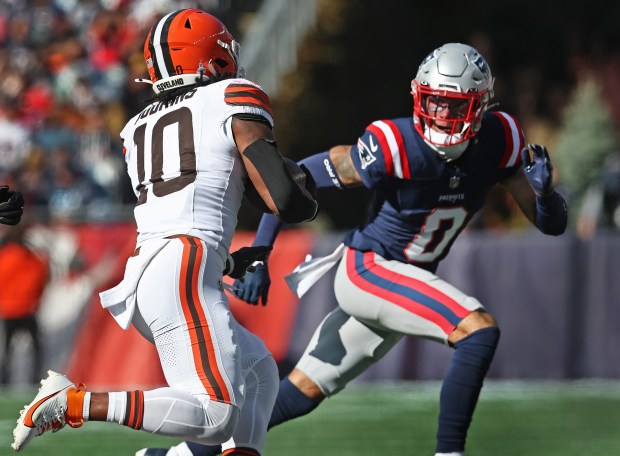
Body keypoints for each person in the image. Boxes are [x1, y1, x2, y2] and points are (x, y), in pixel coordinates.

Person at [139, 42, 568, 456]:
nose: (440, 114)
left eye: (453, 105)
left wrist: (545, 195)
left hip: (402, 284)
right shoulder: (395, 144)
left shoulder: (502, 139)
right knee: (478, 331)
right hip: (370, 271)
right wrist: (261, 251)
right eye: (433, 101)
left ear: (480, 106)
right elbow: (294, 178)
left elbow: (552, 225)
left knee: (297, 394)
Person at [12, 8, 318, 455]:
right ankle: (71, 403)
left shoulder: (137, 126)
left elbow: (183, 203)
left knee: (258, 373)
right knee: (215, 414)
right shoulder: (234, 95)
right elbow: (285, 201)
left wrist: (231, 260)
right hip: (184, 264)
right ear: (209, 58)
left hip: (155, 271)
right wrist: (306, 191)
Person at [0, 219, 49, 385]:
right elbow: (41, 279)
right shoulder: (31, 257)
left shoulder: (6, 255)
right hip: (27, 309)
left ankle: (4, 381)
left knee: (7, 350)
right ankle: (36, 380)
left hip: (10, 310)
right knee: (35, 349)